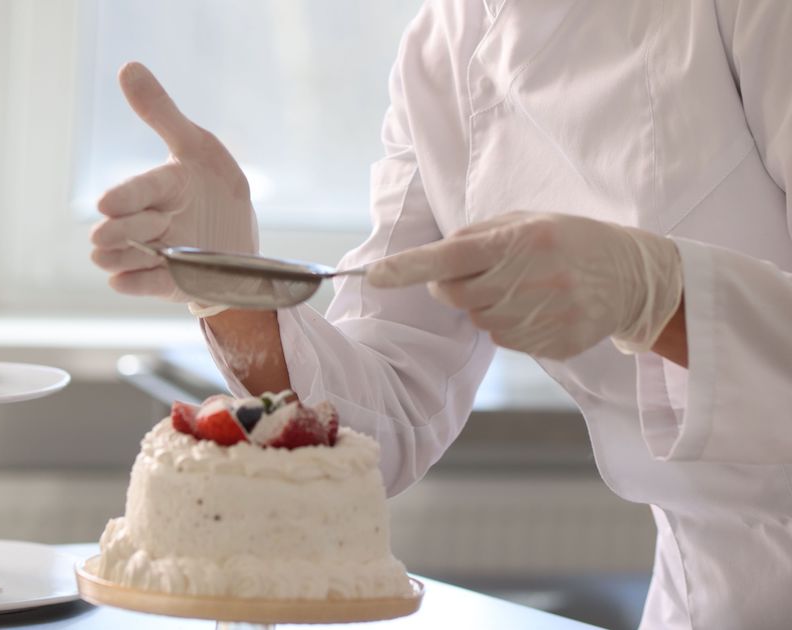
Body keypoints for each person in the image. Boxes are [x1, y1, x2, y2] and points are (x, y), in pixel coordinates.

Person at [89, 1, 792, 628]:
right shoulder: (444, 49)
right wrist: (233, 284)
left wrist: (658, 295)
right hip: (706, 595)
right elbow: (384, 418)